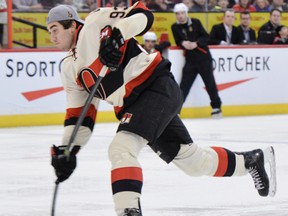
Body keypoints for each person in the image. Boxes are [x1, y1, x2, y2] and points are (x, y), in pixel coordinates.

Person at [47, 3, 276, 216]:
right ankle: (251, 161)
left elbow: (142, 14)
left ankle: (128, 211)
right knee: (193, 163)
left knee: (121, 148)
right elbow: (80, 117)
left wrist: (118, 34)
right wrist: (68, 151)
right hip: (137, 106)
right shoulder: (69, 69)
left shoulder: (95, 21)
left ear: (72, 24)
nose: (52, 36)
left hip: (156, 86)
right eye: (49, 31)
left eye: (55, 29)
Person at [171, 3, 222, 118]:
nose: (180, 16)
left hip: (204, 58)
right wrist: (183, 43)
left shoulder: (196, 22)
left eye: (182, 13)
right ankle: (176, 111)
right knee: (184, 85)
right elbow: (178, 40)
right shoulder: (175, 27)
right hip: (190, 60)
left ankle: (216, 107)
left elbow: (206, 36)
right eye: (178, 14)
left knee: (210, 83)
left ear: (186, 13)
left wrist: (196, 44)